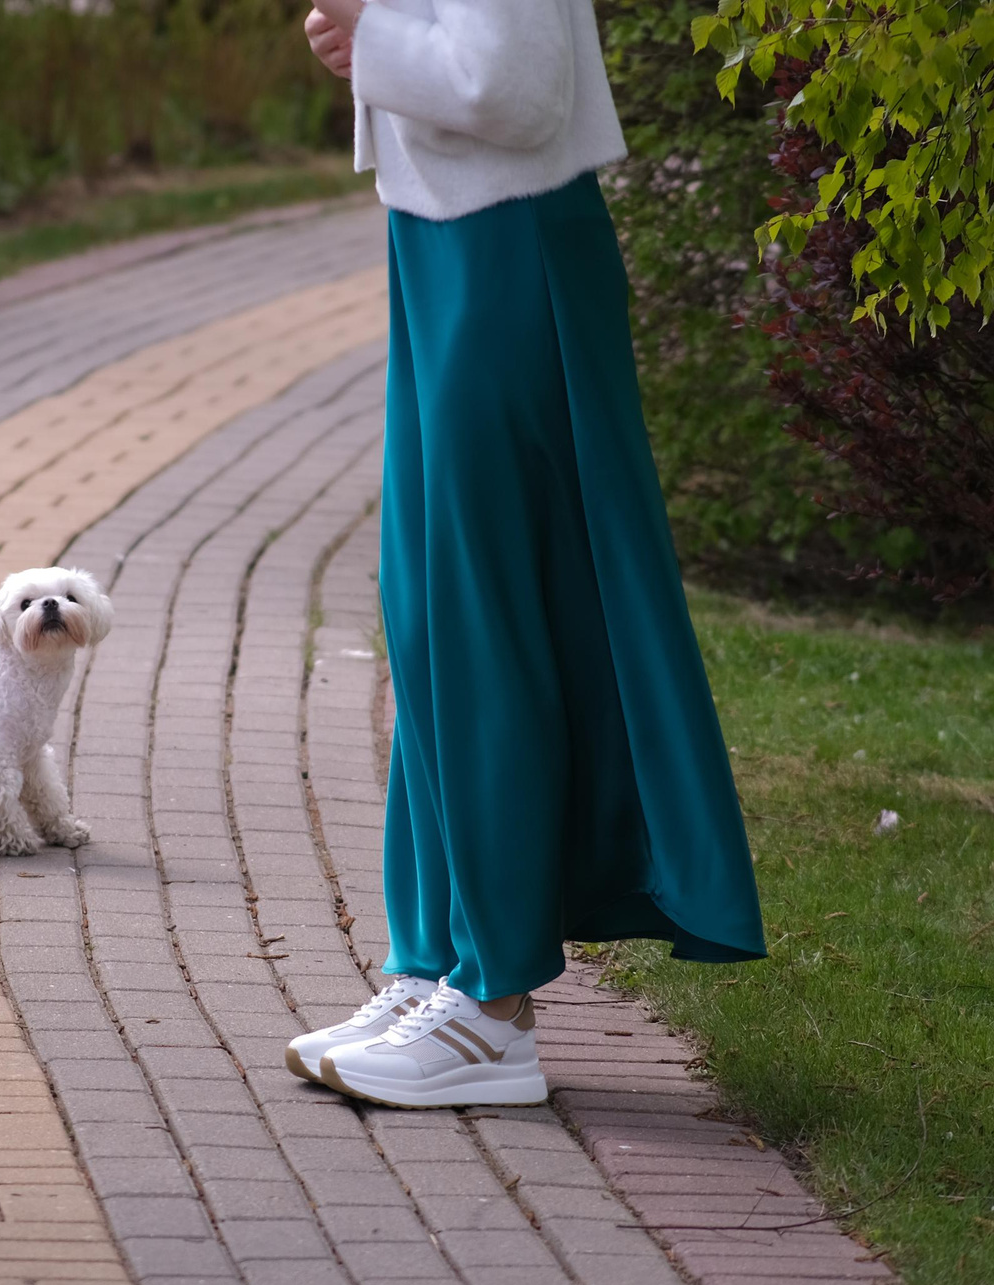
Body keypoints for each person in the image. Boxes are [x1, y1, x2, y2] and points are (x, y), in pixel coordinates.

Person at [283, 0, 768, 1108]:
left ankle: (493, 1010)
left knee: (484, 611)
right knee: (432, 606)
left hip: (507, 242)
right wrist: (366, 48)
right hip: (446, 233)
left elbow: (515, 83)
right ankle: (438, 963)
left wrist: (370, 45)